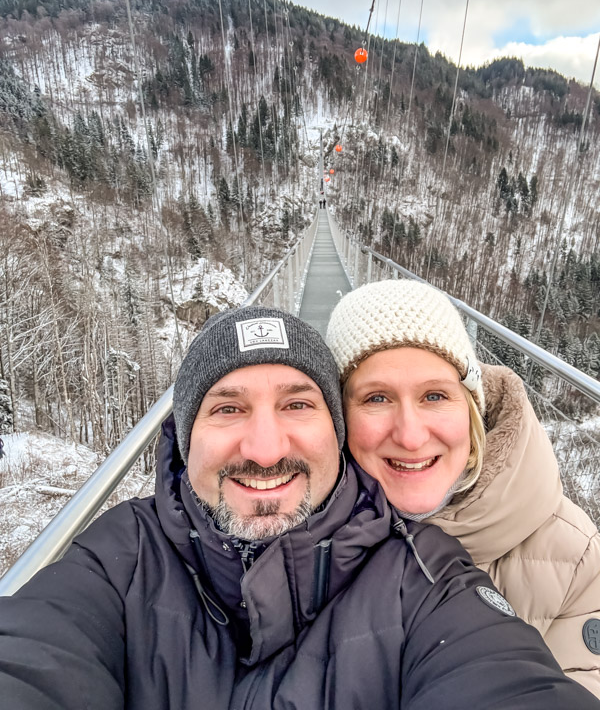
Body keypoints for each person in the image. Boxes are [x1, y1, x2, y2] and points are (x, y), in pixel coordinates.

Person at [0, 307, 597, 710]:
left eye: (297, 405)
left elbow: (498, 677)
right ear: (185, 439)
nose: (264, 449)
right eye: (227, 409)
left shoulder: (425, 577)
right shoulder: (119, 557)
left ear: (334, 436)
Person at [326, 278, 600, 697]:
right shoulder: (294, 531)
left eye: (435, 396)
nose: (411, 436)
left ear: (471, 409)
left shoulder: (573, 557)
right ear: (339, 419)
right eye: (376, 398)